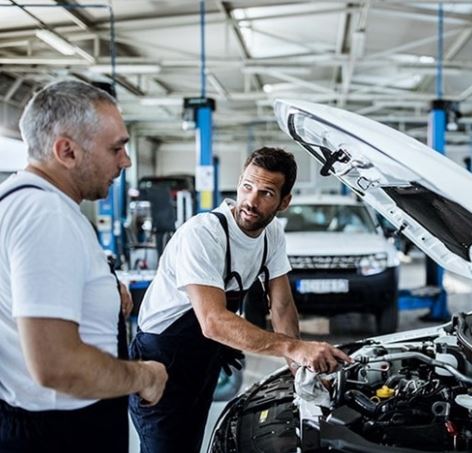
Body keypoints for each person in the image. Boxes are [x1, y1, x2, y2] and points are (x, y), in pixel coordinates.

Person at [130, 147, 351, 453]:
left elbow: (283, 306)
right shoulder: (204, 234)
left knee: (191, 444)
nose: (251, 200)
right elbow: (212, 321)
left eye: (266, 193)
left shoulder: (272, 234)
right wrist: (294, 347)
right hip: (162, 357)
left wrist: (301, 369)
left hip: (203, 358)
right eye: (247, 187)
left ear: (284, 202)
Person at [0, 80, 168, 453]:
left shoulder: (17, 200)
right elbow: (57, 364)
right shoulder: (45, 215)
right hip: (61, 432)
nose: (125, 161)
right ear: (67, 151)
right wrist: (144, 376)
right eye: (117, 148)